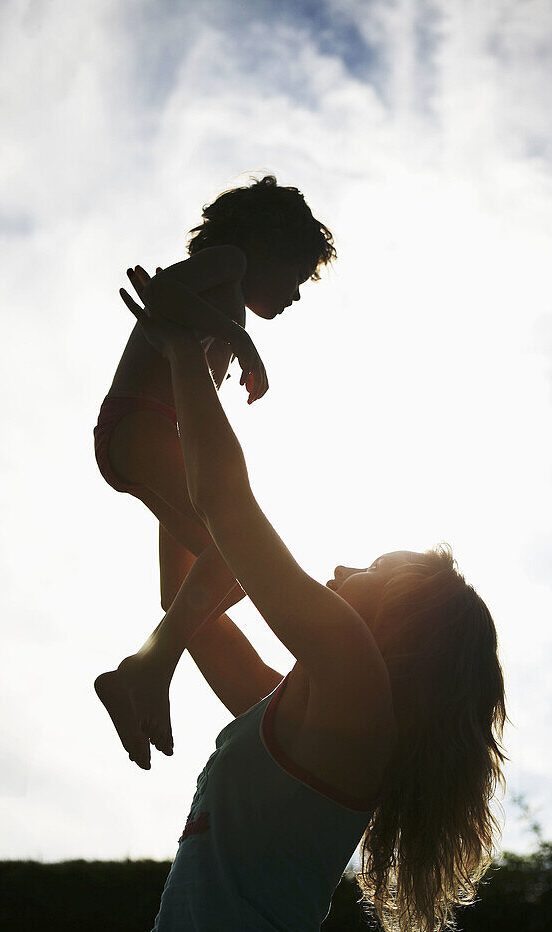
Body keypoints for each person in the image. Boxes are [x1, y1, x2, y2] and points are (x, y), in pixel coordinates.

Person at [119, 269, 508, 932]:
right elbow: (181, 603)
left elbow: (225, 504)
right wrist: (163, 455)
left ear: (399, 625)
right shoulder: (302, 710)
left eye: (368, 568)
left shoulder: (355, 684)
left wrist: (185, 354)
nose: (340, 565)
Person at [94, 176, 336, 761]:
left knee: (185, 592)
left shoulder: (226, 289)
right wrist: (236, 337)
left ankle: (257, 699)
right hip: (141, 425)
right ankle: (143, 674)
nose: (297, 295)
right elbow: (162, 293)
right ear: (264, 243)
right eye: (296, 275)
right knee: (236, 554)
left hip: (149, 437)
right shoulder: (225, 262)